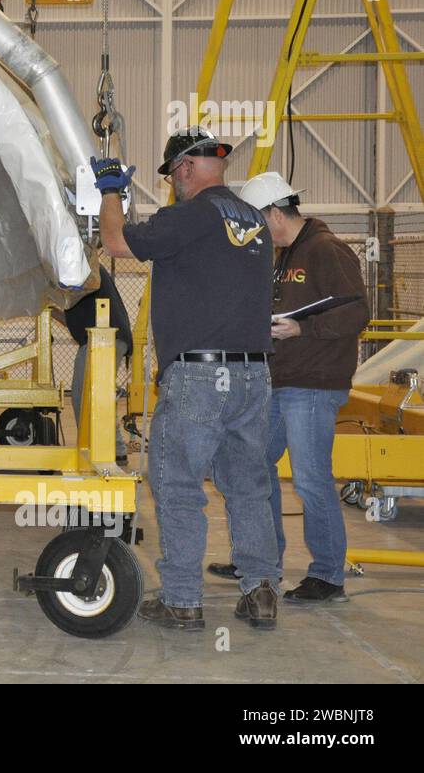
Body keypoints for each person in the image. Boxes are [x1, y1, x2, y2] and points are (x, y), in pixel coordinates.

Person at [94, 126, 281, 631]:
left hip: (201, 376)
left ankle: (181, 599)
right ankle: (261, 590)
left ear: (183, 168)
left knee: (177, 487)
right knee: (248, 487)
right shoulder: (255, 223)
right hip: (253, 374)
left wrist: (110, 190)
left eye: (174, 175)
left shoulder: (189, 216)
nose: (174, 184)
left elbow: (115, 242)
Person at [208, 172, 369, 603]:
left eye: (257, 221)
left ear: (274, 214)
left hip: (313, 386)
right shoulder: (284, 256)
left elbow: (356, 313)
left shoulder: (326, 251)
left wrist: (301, 330)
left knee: (312, 478)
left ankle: (328, 574)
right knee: (256, 465)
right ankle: (261, 561)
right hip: (283, 383)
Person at [60, 263, 132, 461]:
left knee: (86, 395)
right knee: (88, 395)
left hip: (104, 336)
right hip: (101, 336)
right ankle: (113, 449)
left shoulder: (78, 264)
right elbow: (70, 308)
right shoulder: (80, 267)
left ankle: (108, 450)